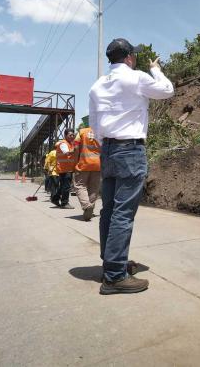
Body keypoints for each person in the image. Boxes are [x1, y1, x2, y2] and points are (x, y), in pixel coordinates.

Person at [89, 38, 174, 295]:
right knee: (123, 214)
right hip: (129, 150)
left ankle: (112, 263)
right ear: (128, 57)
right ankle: (115, 276)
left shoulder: (97, 85)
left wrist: (108, 143)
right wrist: (156, 69)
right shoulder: (135, 77)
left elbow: (94, 123)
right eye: (133, 55)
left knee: (109, 211)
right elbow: (167, 90)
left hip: (109, 150)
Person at [73, 117, 101, 221]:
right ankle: (89, 210)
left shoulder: (81, 132)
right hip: (98, 164)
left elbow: (75, 147)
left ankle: (86, 205)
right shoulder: (101, 133)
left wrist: (76, 162)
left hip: (84, 163)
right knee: (94, 188)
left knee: (79, 185)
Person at [52, 129, 77, 209]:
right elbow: (66, 152)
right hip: (64, 169)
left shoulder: (71, 143)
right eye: (70, 135)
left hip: (68, 168)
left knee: (63, 185)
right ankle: (64, 203)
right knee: (66, 186)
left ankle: (55, 199)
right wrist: (75, 149)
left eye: (73, 135)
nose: (72, 136)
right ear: (65, 136)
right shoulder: (63, 144)